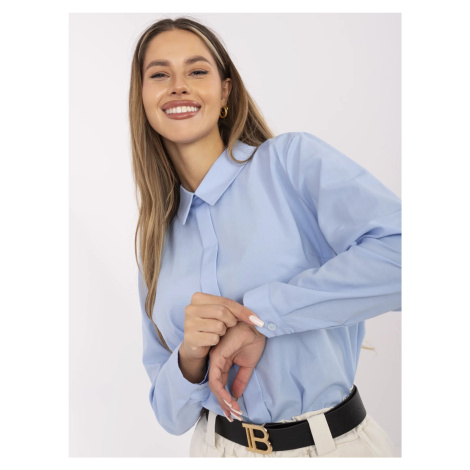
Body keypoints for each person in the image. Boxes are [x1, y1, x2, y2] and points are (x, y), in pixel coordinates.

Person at [129, 16, 401, 458]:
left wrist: (262, 316)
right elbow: (170, 416)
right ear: (142, 97)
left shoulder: (291, 163)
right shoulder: (154, 240)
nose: (178, 86)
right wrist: (189, 356)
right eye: (159, 74)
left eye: (197, 70)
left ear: (225, 92)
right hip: (216, 450)